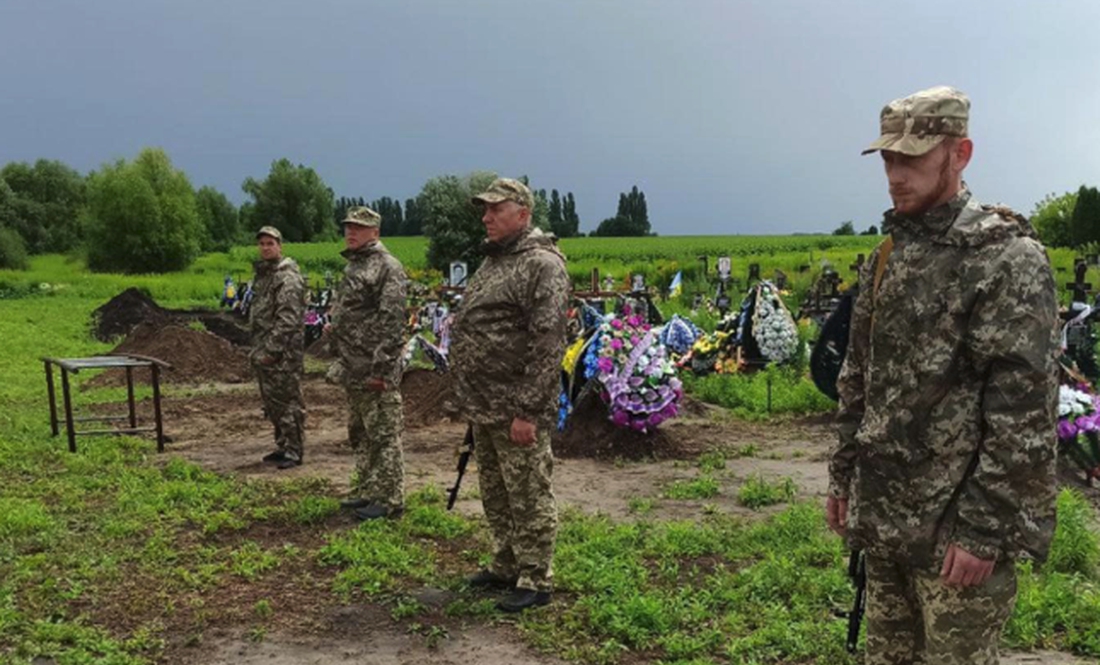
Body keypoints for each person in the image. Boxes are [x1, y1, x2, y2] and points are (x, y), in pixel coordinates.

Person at [827, 86, 1059, 664]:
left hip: (955, 532)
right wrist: (843, 473)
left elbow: (1023, 414)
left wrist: (983, 529)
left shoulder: (1004, 259)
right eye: (888, 157)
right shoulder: (890, 253)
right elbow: (861, 378)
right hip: (886, 521)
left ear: (960, 154)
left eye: (913, 157)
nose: (895, 174)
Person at [450, 178, 570, 613]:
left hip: (516, 408)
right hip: (486, 405)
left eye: (495, 209)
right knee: (497, 493)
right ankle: (506, 564)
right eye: (484, 210)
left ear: (522, 214)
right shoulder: (496, 261)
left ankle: (536, 578)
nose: (486, 217)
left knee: (528, 493)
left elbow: (547, 343)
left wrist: (529, 411)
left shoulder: (542, 265)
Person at [328, 206, 409, 520]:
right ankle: (368, 489)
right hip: (353, 367)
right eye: (348, 227)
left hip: (375, 369)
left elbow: (391, 323)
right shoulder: (355, 267)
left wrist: (382, 369)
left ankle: (390, 500)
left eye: (359, 228)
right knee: (360, 433)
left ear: (375, 232)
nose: (351, 232)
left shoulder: (387, 267)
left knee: (384, 436)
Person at [249, 226, 307, 470]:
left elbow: (288, 320)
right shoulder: (265, 276)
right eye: (262, 243)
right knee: (272, 402)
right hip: (264, 349)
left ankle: (294, 449)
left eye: (270, 243)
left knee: (288, 401)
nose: (265, 248)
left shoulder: (287, 278)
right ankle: (282, 444)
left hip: (282, 354)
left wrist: (271, 351)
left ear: (280, 246)